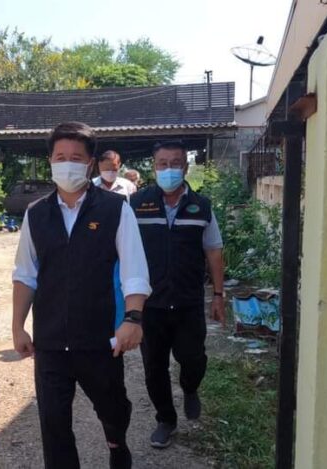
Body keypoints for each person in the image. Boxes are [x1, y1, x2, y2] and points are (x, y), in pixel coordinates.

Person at [12, 122, 151, 469]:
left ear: (89, 164)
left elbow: (134, 269)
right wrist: (17, 327)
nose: (67, 163)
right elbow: (25, 274)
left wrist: (133, 318)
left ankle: (116, 443)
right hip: (50, 341)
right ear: (50, 161)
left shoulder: (115, 209)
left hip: (99, 339)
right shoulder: (36, 213)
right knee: (54, 426)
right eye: (60, 157)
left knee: (113, 408)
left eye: (76, 157)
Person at [130, 141, 225, 449]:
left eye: (175, 163)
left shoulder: (202, 206)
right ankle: (165, 420)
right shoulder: (136, 204)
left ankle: (190, 387)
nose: (168, 169)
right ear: (153, 167)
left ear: (185, 167)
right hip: (151, 303)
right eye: (162, 163)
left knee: (193, 358)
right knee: (154, 367)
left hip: (188, 302)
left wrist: (219, 295)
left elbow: (214, 251)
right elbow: (123, 249)